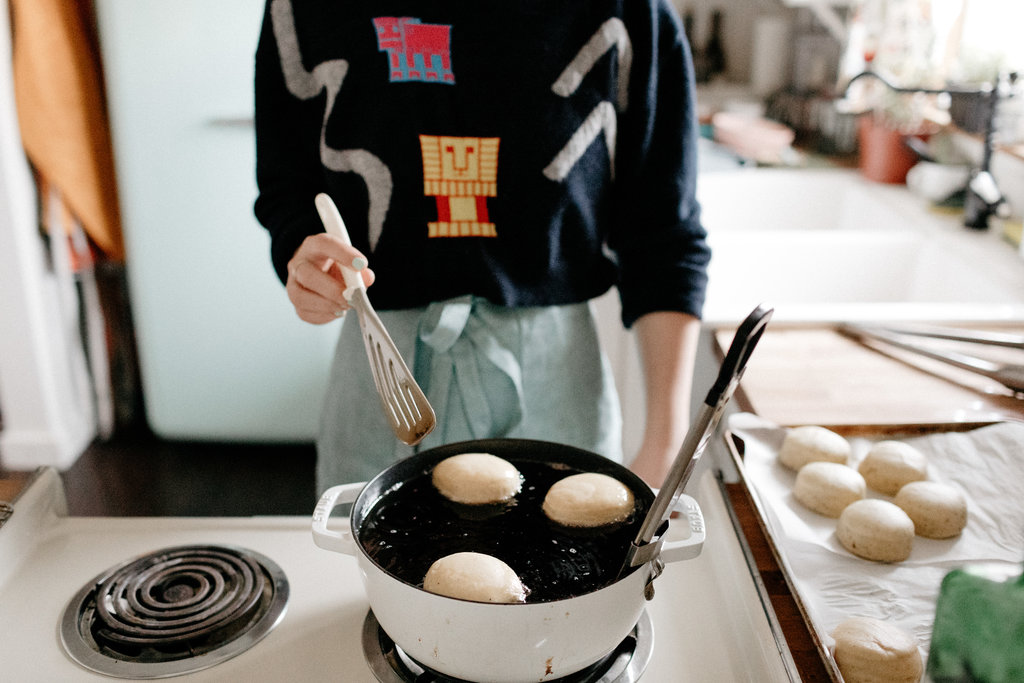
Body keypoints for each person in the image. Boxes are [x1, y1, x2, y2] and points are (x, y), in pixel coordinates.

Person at [253, 0, 710, 492]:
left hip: (556, 382)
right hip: (381, 370)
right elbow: (289, 184)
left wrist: (667, 442)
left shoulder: (627, 11)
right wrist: (303, 259)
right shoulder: (301, 8)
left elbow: (662, 229)